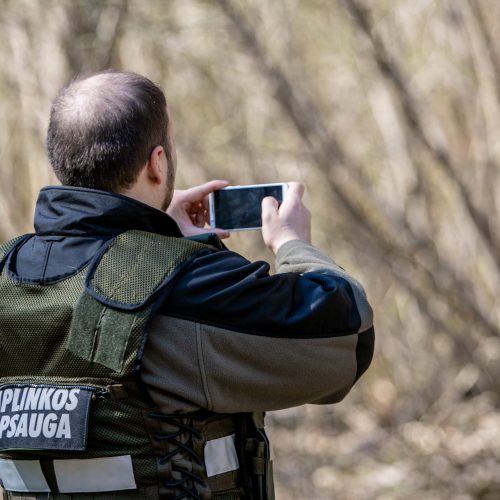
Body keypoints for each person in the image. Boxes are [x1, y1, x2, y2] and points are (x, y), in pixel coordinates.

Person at [0, 70, 374, 500]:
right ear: (158, 162)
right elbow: (345, 336)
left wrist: (157, 234)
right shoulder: (184, 286)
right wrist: (292, 243)